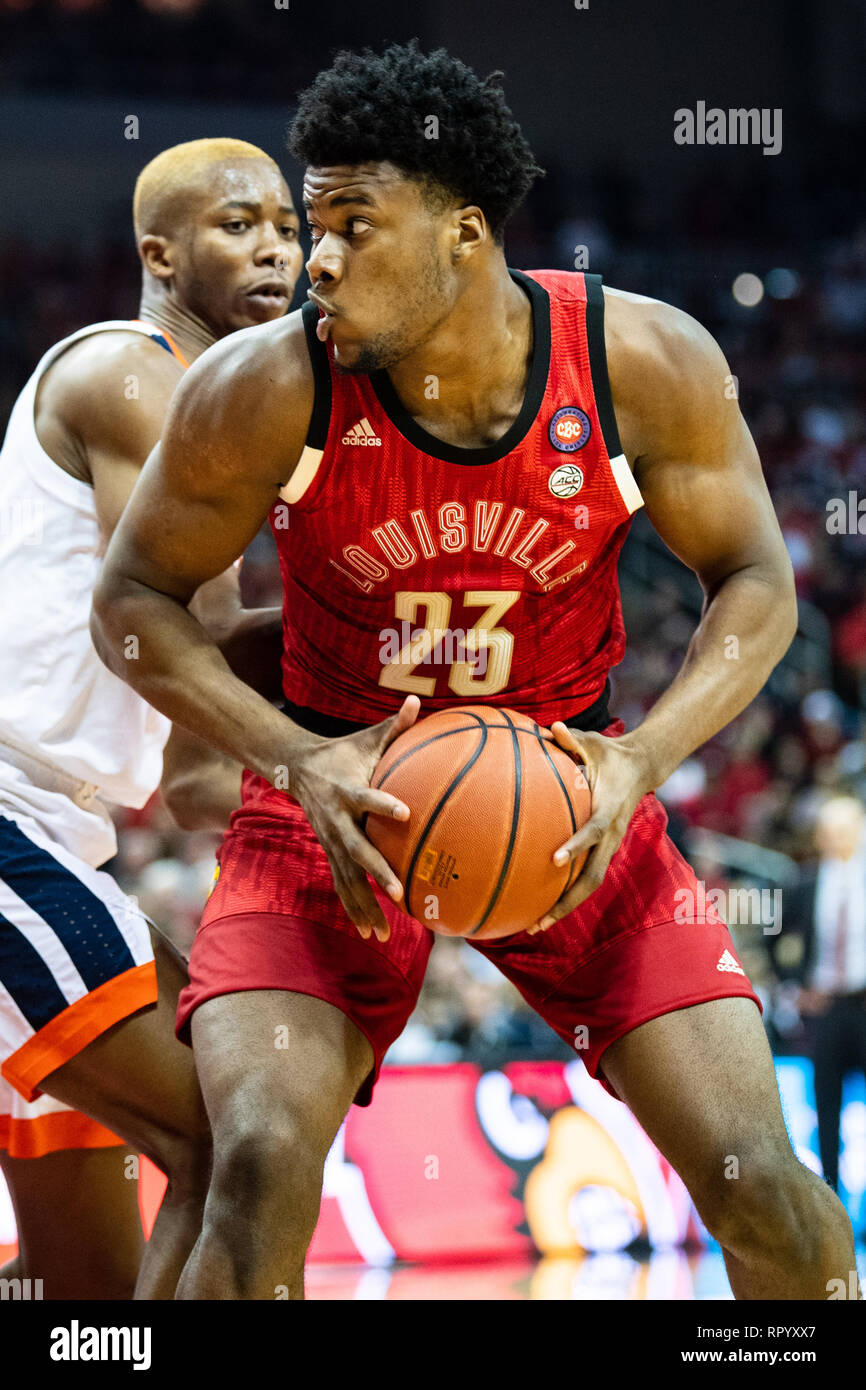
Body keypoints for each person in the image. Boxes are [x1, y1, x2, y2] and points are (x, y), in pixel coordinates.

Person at [92, 43, 856, 1299]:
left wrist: (639, 758)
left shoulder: (639, 362)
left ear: (462, 232)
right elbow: (132, 603)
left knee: (764, 1192)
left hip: (570, 799)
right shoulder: (259, 388)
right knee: (260, 1166)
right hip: (329, 805)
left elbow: (758, 581)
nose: (312, 256)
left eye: (350, 222)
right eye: (306, 214)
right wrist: (293, 757)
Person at [0, 137, 300, 1298]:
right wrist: (396, 631)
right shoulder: (133, 373)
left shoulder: (226, 415)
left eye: (286, 222)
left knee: (85, 1290)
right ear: (159, 252)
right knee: (236, 1137)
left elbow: (187, 779)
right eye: (237, 224)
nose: (274, 243)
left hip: (64, 836)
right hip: (10, 823)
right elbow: (196, 637)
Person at [772, 796, 866, 1192]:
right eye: (829, 831)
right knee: (825, 1107)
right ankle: (831, 1198)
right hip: (826, 1009)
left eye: (844, 829)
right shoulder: (805, 882)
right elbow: (772, 931)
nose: (836, 838)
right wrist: (793, 983)